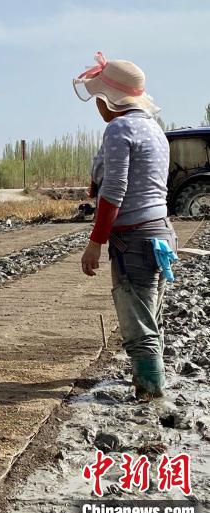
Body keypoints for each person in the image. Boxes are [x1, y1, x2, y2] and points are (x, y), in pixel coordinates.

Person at [74, 52, 177, 400]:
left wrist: (96, 241)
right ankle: (152, 384)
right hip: (160, 234)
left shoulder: (119, 128)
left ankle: (150, 396)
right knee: (151, 317)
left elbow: (115, 190)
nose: (97, 107)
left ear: (108, 99)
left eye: (98, 98)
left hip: (134, 241)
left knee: (138, 324)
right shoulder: (153, 130)